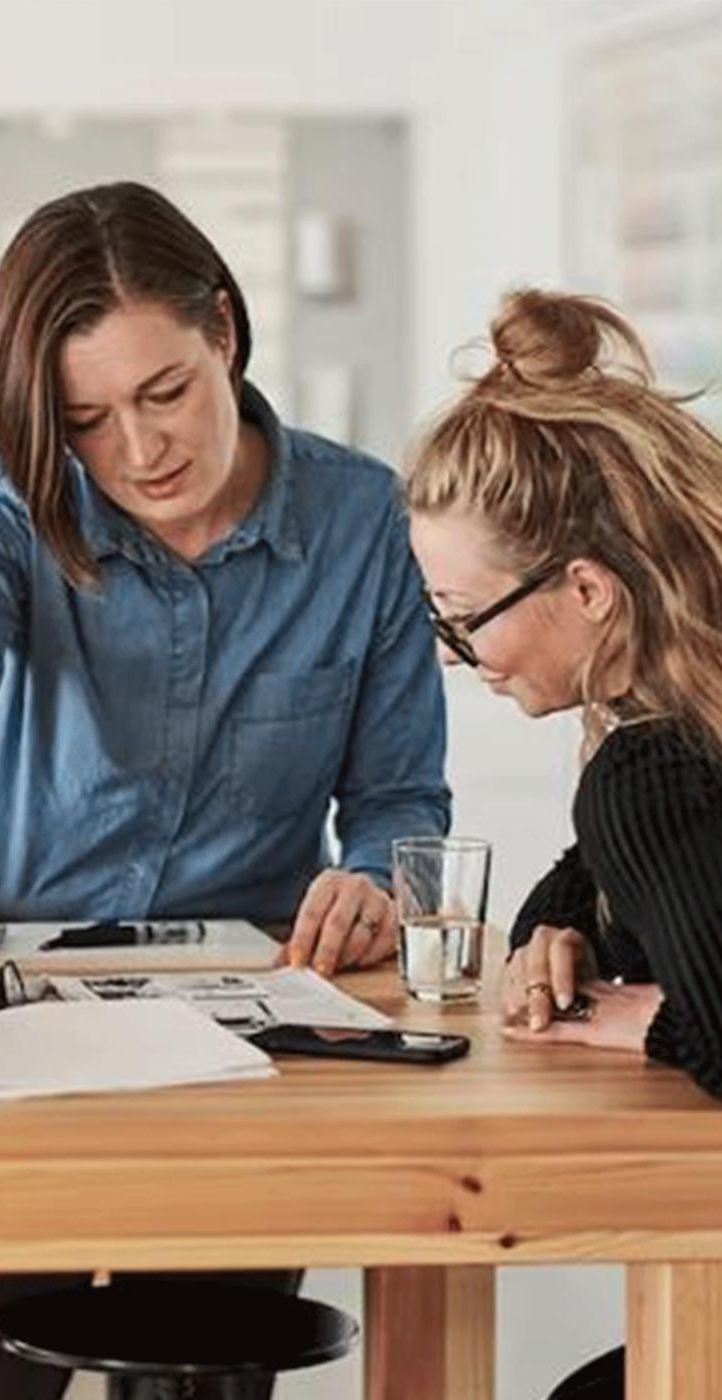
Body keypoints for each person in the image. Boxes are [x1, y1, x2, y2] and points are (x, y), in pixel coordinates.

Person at [0, 181, 450, 1400]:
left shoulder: (364, 519)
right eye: (88, 419)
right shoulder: (6, 500)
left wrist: (374, 883)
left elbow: (395, 797)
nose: (139, 449)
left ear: (222, 329)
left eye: (163, 393)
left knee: (200, 1379)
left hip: (237, 1041)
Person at [406, 287, 722, 1400]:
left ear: (584, 587)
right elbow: (586, 872)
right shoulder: (688, 721)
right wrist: (553, 926)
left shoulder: (650, 769)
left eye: (462, 613)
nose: (457, 652)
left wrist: (643, 1020)